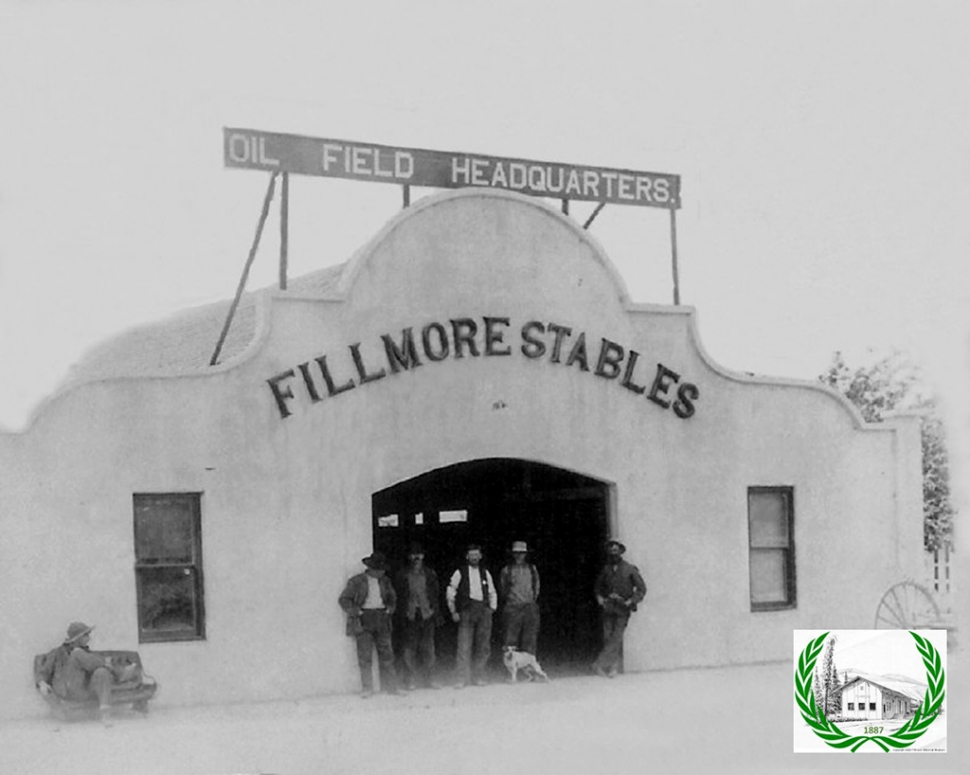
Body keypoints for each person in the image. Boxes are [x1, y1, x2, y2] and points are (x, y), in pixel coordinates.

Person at [47, 622, 139, 724]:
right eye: (85, 635)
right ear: (77, 638)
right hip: (70, 689)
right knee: (77, 654)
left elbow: (95, 664)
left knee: (101, 671)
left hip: (85, 690)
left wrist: (103, 666)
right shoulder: (58, 652)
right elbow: (44, 669)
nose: (89, 638)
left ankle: (105, 714)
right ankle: (119, 673)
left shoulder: (86, 652)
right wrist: (41, 682)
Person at [338, 551, 402, 698]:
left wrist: (389, 609)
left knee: (387, 655)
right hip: (364, 618)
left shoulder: (385, 581)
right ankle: (367, 688)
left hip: (381, 617)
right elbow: (344, 599)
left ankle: (392, 687)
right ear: (371, 568)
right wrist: (357, 611)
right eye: (379, 569)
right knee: (365, 656)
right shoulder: (357, 581)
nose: (382, 572)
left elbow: (392, 598)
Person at [592, 539, 646, 679]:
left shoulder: (630, 569)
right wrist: (600, 599)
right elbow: (597, 588)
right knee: (608, 637)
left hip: (623, 609)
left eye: (616, 551)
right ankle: (611, 667)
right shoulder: (606, 570)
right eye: (611, 551)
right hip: (609, 608)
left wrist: (631, 601)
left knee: (616, 637)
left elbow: (641, 589)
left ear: (621, 552)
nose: (613, 554)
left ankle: (599, 664)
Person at [446, 544, 497, 688]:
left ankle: (479, 677)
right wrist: (453, 611)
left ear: (480, 556)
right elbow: (451, 591)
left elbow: (492, 591)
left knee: (483, 646)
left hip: (483, 611)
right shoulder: (460, 572)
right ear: (467, 556)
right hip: (467, 612)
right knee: (464, 646)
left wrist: (492, 608)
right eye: (471, 555)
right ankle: (461, 679)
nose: (474, 557)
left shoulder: (485, 572)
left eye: (476, 555)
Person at [394, 542, 443, 690]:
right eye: (413, 555)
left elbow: (435, 593)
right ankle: (409, 681)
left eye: (419, 555)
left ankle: (430, 680)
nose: (416, 558)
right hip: (410, 615)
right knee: (409, 649)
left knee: (429, 649)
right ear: (409, 557)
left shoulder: (430, 573)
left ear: (423, 556)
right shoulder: (402, 575)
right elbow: (398, 596)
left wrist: (434, 611)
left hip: (427, 614)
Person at [499, 540, 541, 656]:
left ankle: (528, 664)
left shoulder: (532, 569)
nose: (519, 555)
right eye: (516, 553)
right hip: (513, 607)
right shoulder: (507, 570)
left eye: (521, 553)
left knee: (530, 638)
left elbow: (536, 587)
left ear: (525, 554)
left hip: (529, 606)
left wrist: (531, 600)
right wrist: (512, 600)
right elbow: (503, 588)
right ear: (513, 554)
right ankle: (511, 664)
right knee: (510, 638)